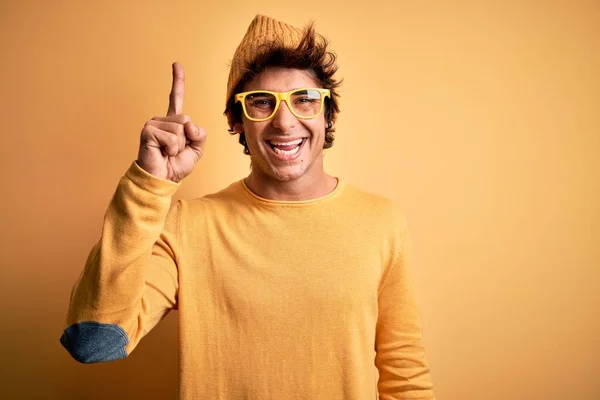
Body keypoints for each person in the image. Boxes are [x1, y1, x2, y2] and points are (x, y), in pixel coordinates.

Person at [60, 14, 435, 399]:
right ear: (237, 121)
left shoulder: (381, 222)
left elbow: (404, 375)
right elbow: (93, 343)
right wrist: (148, 183)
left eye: (304, 100)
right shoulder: (187, 226)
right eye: (261, 103)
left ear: (328, 114)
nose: (285, 122)